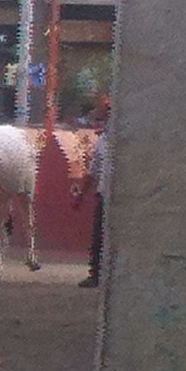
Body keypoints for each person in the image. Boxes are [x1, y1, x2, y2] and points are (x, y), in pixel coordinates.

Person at [80, 104, 112, 287]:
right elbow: (93, 171)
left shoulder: (116, 142)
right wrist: (81, 195)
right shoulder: (102, 141)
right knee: (98, 235)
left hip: (121, 197)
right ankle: (96, 274)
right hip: (104, 194)